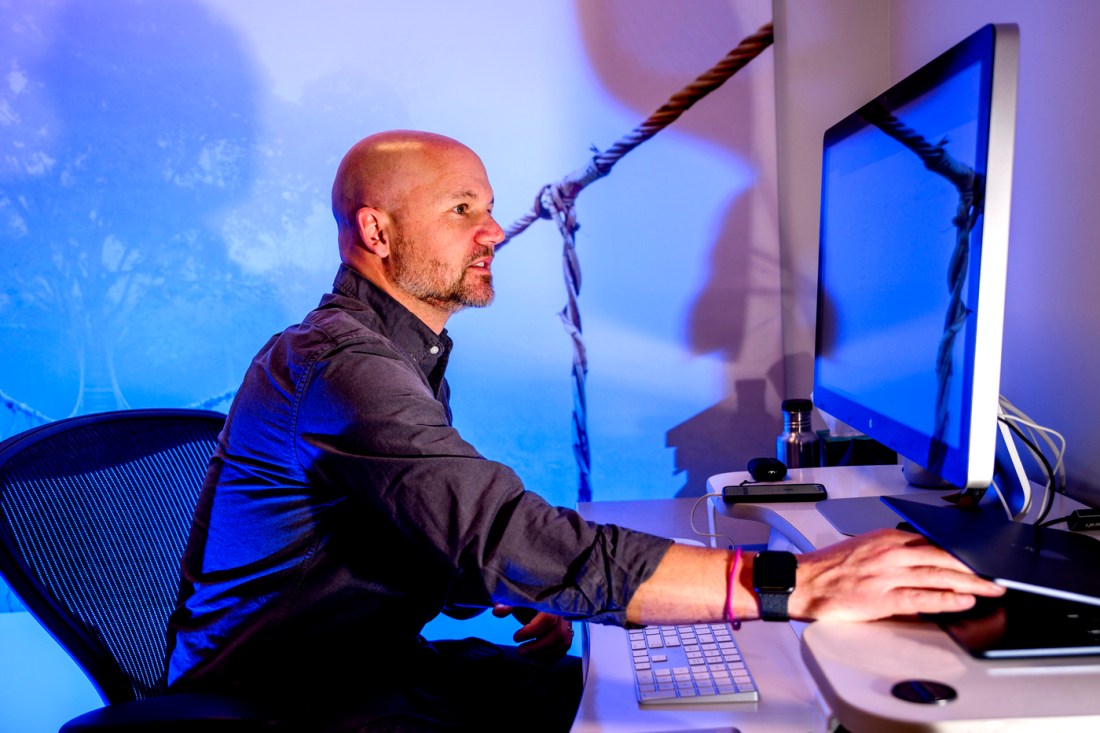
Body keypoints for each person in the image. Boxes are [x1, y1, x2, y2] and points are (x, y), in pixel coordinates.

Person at [166, 130, 1004, 732]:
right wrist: (799, 583)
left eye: (488, 209)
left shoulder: (396, 350)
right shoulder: (342, 364)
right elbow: (498, 531)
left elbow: (422, 531)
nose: (493, 231)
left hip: (370, 669)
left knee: (629, 699)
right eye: (462, 209)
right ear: (377, 231)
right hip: (288, 706)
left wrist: (521, 588)